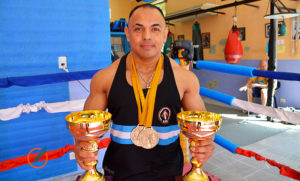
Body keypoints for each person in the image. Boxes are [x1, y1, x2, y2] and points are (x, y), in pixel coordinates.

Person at [74, 4, 215, 180]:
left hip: (169, 173)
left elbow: (202, 128)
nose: (147, 36)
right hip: (119, 173)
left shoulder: (185, 79)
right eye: (138, 29)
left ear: (165, 34)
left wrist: (206, 143)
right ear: (127, 33)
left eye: (155, 29)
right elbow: (86, 130)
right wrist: (81, 145)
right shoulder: (105, 78)